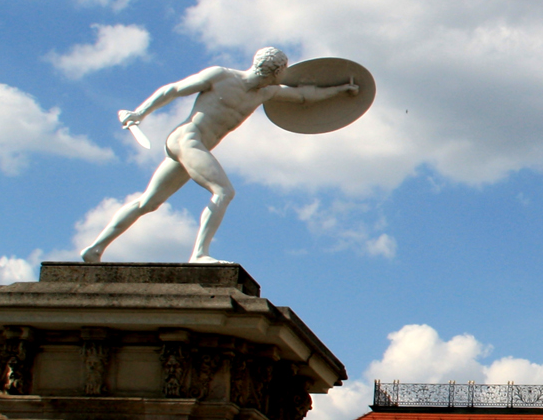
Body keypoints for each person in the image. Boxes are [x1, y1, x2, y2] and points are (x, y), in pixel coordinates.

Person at [80, 47, 361, 265]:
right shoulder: (221, 75)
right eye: (284, 70)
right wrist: (139, 113)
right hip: (187, 138)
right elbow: (174, 90)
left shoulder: (266, 92)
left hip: (195, 146)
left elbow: (304, 96)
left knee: (148, 202)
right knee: (224, 192)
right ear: (276, 70)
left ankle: (94, 249)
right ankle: (199, 254)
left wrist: (342, 91)